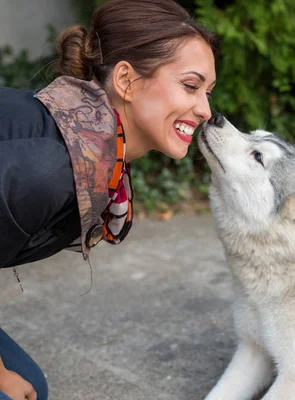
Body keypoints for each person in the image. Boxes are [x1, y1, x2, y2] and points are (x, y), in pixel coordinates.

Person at [0, 0, 219, 398]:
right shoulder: (52, 167)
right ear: (126, 81)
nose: (205, 109)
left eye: (207, 91)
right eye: (191, 85)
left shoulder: (91, 148)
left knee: (32, 387)